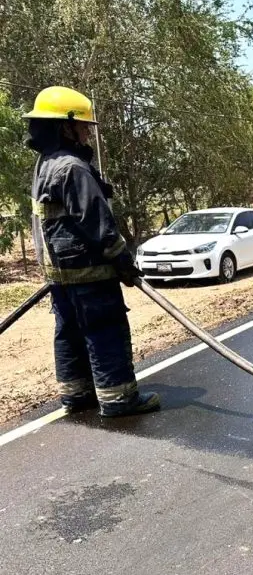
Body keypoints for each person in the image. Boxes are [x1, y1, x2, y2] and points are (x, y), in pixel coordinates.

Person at [26, 86, 159, 417]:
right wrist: (124, 262)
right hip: (91, 273)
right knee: (105, 330)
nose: (88, 132)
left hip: (60, 277)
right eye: (84, 126)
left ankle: (77, 395)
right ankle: (119, 399)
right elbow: (97, 222)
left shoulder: (45, 165)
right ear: (64, 126)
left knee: (69, 334)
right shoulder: (73, 168)